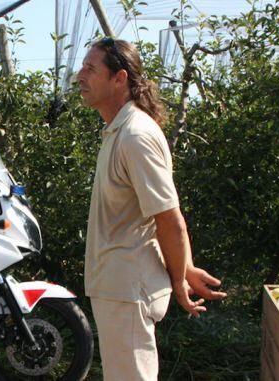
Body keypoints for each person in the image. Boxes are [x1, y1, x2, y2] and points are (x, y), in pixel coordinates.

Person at [77, 37, 227, 380]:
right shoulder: (118, 130)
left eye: (90, 68)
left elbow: (168, 218)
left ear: (120, 79)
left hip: (128, 287)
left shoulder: (135, 135)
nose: (80, 76)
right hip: (119, 286)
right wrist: (184, 266)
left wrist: (179, 277)